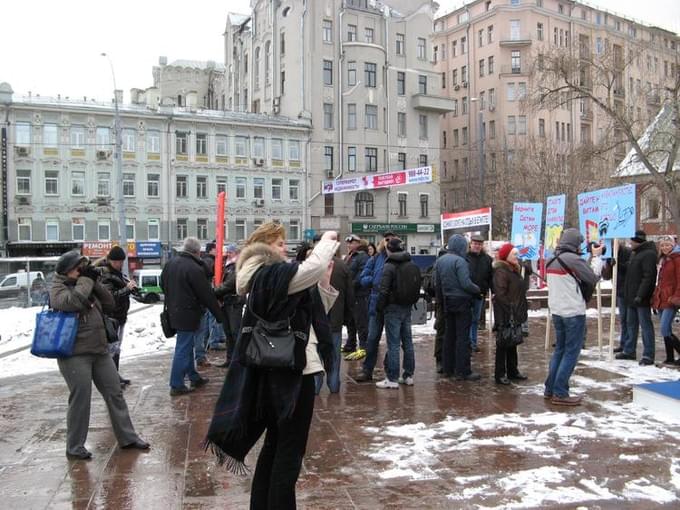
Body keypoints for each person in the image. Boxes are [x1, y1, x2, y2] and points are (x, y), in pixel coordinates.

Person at [205, 224, 339, 509]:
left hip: (282, 368)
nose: (284, 248)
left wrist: (324, 283)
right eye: (278, 243)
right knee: (289, 454)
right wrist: (327, 243)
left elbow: (309, 317)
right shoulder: (267, 274)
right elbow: (309, 270)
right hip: (290, 372)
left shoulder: (268, 277)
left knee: (274, 447)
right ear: (263, 246)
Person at [51, 250, 149, 460]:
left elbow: (109, 303)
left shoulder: (86, 283)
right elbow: (74, 302)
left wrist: (94, 281)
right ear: (68, 270)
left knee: (115, 393)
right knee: (81, 399)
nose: (83, 271)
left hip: (99, 350)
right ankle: (75, 446)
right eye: (80, 267)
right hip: (74, 354)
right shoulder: (58, 288)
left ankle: (128, 437)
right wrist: (86, 281)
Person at [161, 237, 225, 396]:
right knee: (183, 347)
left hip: (174, 312)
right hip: (189, 313)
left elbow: (163, 284)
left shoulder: (170, 264)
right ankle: (176, 384)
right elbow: (206, 295)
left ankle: (193, 376)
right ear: (197, 252)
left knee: (186, 345)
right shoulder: (194, 268)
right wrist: (219, 315)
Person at [544, 228, 602, 406]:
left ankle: (550, 388)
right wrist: (597, 257)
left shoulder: (551, 259)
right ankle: (560, 392)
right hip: (573, 312)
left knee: (560, 349)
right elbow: (592, 277)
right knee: (571, 352)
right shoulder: (573, 259)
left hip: (557, 311)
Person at [434, 234, 481, 380]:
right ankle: (463, 370)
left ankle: (448, 368)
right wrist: (477, 290)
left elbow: (438, 284)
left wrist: (441, 301)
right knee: (462, 337)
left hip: (447, 302)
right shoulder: (460, 261)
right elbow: (465, 283)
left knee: (449, 336)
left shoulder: (440, 261)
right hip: (461, 302)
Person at [355, 231, 397, 382]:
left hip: (393, 305)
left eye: (392, 239)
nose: (388, 242)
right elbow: (363, 278)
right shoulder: (375, 259)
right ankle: (367, 370)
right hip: (375, 304)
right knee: (372, 338)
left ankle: (390, 367)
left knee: (394, 340)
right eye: (386, 239)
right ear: (382, 241)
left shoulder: (399, 259)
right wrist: (374, 280)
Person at [376, 237, 418, 388]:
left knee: (393, 344)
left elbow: (384, 289)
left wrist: (379, 307)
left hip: (392, 308)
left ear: (388, 249)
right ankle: (408, 375)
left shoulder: (389, 265)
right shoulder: (410, 263)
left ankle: (392, 378)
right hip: (407, 306)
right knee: (407, 342)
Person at [96, 245, 137, 387]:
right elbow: (109, 297)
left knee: (117, 347)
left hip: (120, 316)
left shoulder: (118, 273)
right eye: (117, 262)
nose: (119, 264)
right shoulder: (106, 275)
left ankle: (115, 376)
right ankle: (111, 380)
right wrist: (126, 289)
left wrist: (131, 289)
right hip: (111, 317)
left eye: (121, 261)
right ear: (111, 260)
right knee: (111, 348)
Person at [617, 230, 658, 365]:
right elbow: (629, 270)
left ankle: (648, 354)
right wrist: (615, 264)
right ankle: (629, 350)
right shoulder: (636, 254)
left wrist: (641, 295)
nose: (630, 243)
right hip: (631, 297)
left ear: (638, 241)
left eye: (632, 241)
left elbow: (649, 277)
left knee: (645, 326)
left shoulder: (649, 254)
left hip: (641, 298)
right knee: (631, 325)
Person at [317, 247, 354, 393]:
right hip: (336, 318)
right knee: (334, 355)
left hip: (317, 318)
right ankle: (333, 385)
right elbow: (350, 296)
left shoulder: (315, 265)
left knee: (316, 354)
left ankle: (315, 385)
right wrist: (347, 316)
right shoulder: (343, 267)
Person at [492, 244, 529, 385]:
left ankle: (513, 371)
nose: (517, 256)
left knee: (512, 342)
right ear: (506, 256)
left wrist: (528, 274)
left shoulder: (514, 270)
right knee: (503, 342)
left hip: (515, 310)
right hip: (505, 312)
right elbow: (500, 294)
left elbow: (522, 289)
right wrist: (510, 309)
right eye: (514, 254)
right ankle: (500, 374)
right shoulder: (501, 271)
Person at [214, 243, 244, 368]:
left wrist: (214, 292)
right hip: (227, 302)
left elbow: (230, 284)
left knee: (235, 332)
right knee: (228, 332)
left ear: (236, 253)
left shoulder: (237, 266)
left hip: (234, 302)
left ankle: (238, 360)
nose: (227, 254)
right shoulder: (227, 266)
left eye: (230, 252)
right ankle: (230, 358)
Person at [652, 236, 680, 365]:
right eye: (662, 245)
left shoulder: (677, 259)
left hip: (670, 299)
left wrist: (676, 296)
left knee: (664, 328)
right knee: (665, 328)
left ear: (673, 245)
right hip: (661, 298)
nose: (665, 247)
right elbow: (660, 281)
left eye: (668, 245)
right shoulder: (663, 260)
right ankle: (670, 358)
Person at [199, 241, 227, 364]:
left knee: (207, 317)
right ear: (211, 250)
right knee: (212, 316)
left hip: (205, 293)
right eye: (217, 249)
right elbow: (212, 274)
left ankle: (207, 341)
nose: (218, 251)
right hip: (210, 292)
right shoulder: (211, 261)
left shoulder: (203, 260)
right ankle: (214, 341)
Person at [601, 243, 631, 353]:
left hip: (629, 289)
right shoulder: (609, 253)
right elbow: (606, 276)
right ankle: (623, 344)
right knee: (623, 319)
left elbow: (630, 268)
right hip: (619, 290)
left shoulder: (628, 252)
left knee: (629, 320)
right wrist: (607, 264)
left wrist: (617, 264)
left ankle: (629, 346)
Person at [342, 235, 369, 356]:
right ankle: (350, 344)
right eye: (348, 243)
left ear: (358, 243)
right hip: (350, 294)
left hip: (359, 294)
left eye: (352, 243)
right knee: (350, 321)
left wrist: (351, 285)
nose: (349, 245)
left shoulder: (362, 256)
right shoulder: (350, 256)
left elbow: (362, 274)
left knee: (361, 321)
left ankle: (363, 346)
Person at [468, 234, 493, 352]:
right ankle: (467, 342)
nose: (477, 246)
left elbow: (491, 277)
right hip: (466, 294)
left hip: (480, 295)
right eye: (475, 243)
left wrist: (492, 290)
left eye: (479, 244)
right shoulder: (465, 257)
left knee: (475, 320)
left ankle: (473, 343)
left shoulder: (487, 259)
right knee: (466, 319)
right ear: (470, 244)